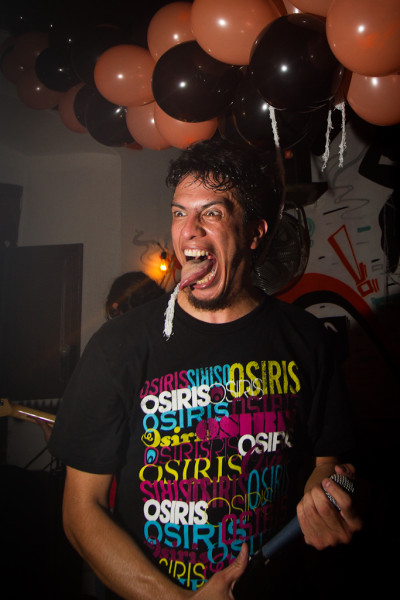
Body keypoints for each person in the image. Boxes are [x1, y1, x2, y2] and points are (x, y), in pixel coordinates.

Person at [48, 139, 362, 600]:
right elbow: (81, 512)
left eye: (211, 213)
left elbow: (330, 460)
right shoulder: (119, 346)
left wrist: (326, 494)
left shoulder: (307, 340)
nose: (189, 231)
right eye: (179, 213)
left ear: (254, 232)